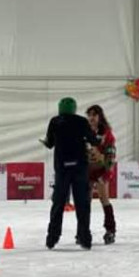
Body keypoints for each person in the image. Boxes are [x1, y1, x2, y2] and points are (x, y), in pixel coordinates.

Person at [43, 97, 99, 250]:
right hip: (80, 167)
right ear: (74, 108)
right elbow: (94, 141)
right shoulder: (81, 121)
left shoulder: (54, 121)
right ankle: (85, 238)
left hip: (62, 168)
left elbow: (49, 144)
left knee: (58, 203)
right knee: (82, 204)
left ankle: (52, 238)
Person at [86, 105, 118, 245]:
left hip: (102, 169)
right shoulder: (85, 131)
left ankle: (110, 230)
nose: (91, 118)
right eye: (89, 115)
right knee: (84, 200)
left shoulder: (106, 133)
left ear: (100, 116)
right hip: (88, 169)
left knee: (103, 197)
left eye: (94, 115)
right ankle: (83, 230)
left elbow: (111, 155)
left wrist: (102, 159)